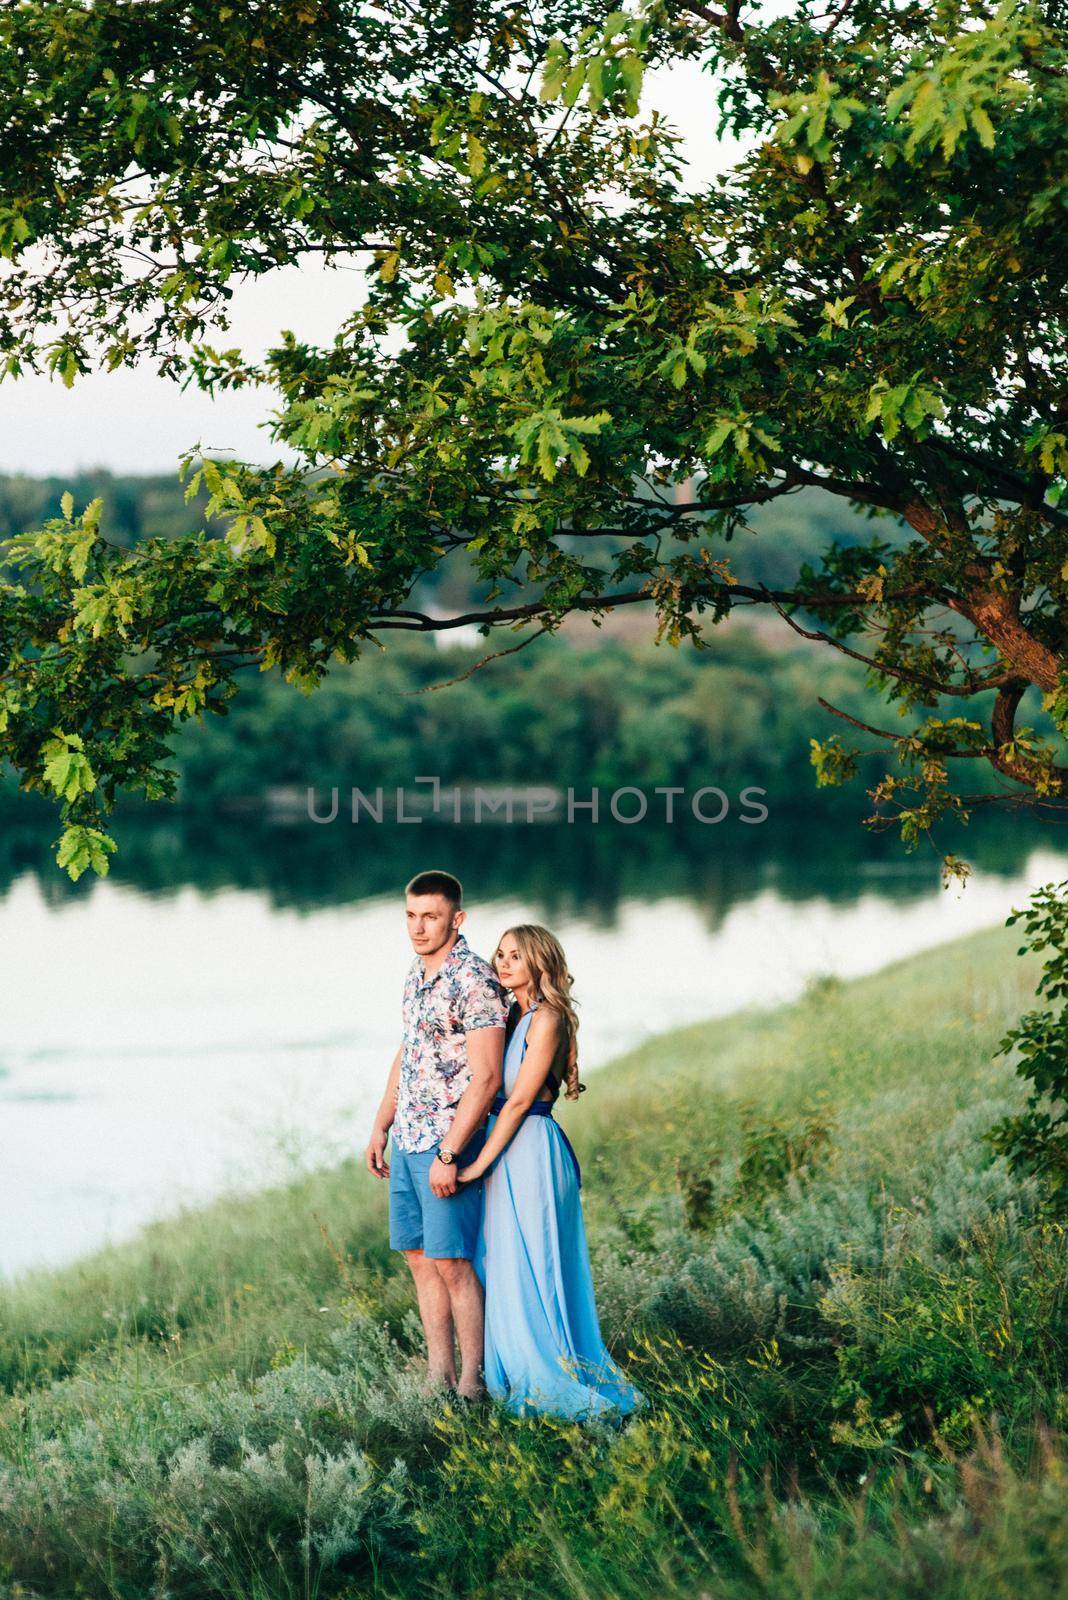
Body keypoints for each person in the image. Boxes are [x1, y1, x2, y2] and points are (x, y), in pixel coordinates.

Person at [458, 924, 645, 1421]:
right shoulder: (509, 1012)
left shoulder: (549, 1017)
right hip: (504, 1145)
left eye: (515, 956)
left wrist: (478, 1162)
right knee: (501, 1261)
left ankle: (555, 1373)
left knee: (538, 1263)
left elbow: (519, 1100)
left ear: (540, 962)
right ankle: (511, 1368)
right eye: (499, 954)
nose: (503, 963)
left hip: (531, 1149)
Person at [365, 869, 507, 1400]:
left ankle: (474, 1381)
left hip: (448, 1140)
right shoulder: (416, 973)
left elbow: (488, 1076)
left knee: (453, 1261)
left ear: (457, 919)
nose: (418, 927)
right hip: (408, 1136)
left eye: (431, 917)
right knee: (420, 1258)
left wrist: (449, 1152)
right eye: (411, 915)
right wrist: (382, 1121)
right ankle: (437, 1376)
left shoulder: (474, 980)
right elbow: (411, 1051)